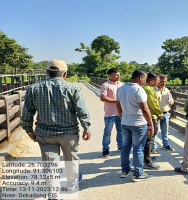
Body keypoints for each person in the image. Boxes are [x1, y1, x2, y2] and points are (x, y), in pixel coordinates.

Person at [21, 59, 91, 193]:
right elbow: (82, 110)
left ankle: (53, 193)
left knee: (49, 164)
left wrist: (29, 130)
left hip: (45, 134)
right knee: (71, 158)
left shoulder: (34, 88)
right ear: (65, 74)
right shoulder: (74, 88)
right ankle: (71, 183)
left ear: (47, 72)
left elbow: (27, 112)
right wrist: (86, 127)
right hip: (69, 133)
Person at [116, 69, 154, 181]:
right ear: (140, 77)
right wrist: (151, 124)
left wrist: (121, 116)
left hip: (125, 122)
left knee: (126, 146)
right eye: (145, 79)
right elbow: (145, 109)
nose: (145, 81)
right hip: (138, 123)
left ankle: (125, 170)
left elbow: (118, 105)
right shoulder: (139, 90)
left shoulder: (121, 89)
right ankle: (138, 173)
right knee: (138, 148)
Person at [100, 68, 124, 158]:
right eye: (116, 75)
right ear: (110, 75)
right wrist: (116, 101)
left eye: (119, 74)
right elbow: (103, 97)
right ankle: (105, 149)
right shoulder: (105, 85)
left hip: (121, 112)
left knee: (121, 131)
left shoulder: (122, 85)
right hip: (110, 113)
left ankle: (120, 146)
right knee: (107, 132)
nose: (118, 76)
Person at [142, 72, 162, 169]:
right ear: (152, 81)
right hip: (152, 116)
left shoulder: (145, 88)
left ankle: (146, 157)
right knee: (150, 139)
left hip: (146, 116)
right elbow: (153, 104)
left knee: (147, 139)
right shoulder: (148, 89)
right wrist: (159, 113)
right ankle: (147, 161)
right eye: (158, 80)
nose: (158, 82)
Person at [152, 74, 175, 151]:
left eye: (165, 81)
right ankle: (154, 147)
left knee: (165, 130)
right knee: (155, 131)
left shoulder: (167, 90)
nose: (164, 83)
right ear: (158, 81)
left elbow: (171, 99)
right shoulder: (153, 90)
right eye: (162, 81)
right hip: (156, 114)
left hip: (165, 113)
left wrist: (171, 101)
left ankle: (165, 144)